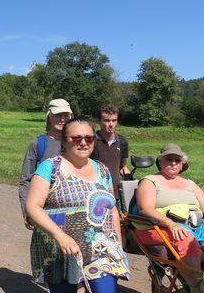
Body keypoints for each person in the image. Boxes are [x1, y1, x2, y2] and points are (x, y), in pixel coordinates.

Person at [26, 117, 130, 293]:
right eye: (76, 138)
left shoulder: (103, 170)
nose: (83, 143)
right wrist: (60, 236)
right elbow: (33, 206)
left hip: (102, 250)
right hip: (61, 251)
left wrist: (118, 247)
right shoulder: (50, 167)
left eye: (88, 138)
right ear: (64, 141)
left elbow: (112, 210)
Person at [134, 143, 204, 293]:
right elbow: (145, 208)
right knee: (187, 240)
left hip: (196, 225)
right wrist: (170, 224)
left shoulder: (189, 184)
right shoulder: (150, 181)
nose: (173, 162)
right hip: (160, 225)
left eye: (177, 160)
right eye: (169, 159)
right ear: (160, 161)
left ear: (183, 164)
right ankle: (196, 287)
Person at [19, 98, 73, 229]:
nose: (62, 119)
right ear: (49, 117)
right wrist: (28, 212)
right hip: (45, 212)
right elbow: (26, 180)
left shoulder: (78, 143)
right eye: (58, 115)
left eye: (65, 115)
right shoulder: (38, 144)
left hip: (74, 211)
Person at [91, 105, 130, 203]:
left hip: (115, 194)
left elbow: (123, 167)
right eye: (107, 120)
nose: (111, 124)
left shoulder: (122, 141)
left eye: (114, 120)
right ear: (99, 121)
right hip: (94, 193)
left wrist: (130, 181)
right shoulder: (90, 141)